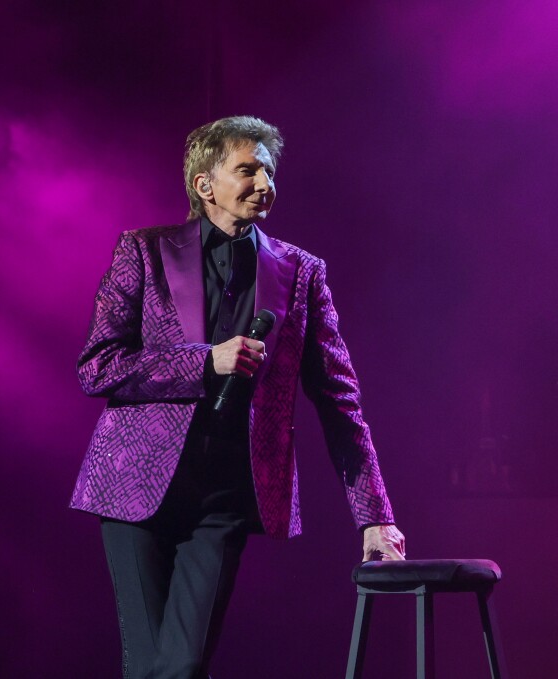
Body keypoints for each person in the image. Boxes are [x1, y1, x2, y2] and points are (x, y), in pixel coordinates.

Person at [70, 115, 406, 679]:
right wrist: (206, 360)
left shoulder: (301, 274)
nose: (263, 183)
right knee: (149, 664)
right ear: (205, 184)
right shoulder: (144, 252)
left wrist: (375, 517)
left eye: (268, 171)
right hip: (135, 490)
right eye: (246, 170)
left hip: (227, 495)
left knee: (183, 664)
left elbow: (341, 402)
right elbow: (97, 367)